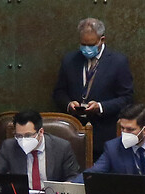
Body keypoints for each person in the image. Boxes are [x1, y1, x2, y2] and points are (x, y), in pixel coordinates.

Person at [52, 17, 134, 158]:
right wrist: (68, 104)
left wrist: (100, 107)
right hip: (73, 134)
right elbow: (59, 92)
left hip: (104, 136)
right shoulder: (70, 60)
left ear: (102, 40)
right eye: (83, 44)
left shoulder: (118, 62)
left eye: (91, 44)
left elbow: (127, 98)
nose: (86, 49)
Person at [0, 109, 80, 188]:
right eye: (19, 136)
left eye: (28, 135)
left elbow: (73, 177)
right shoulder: (10, 147)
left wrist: (65, 188)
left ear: (41, 132)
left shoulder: (61, 147)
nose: (23, 140)